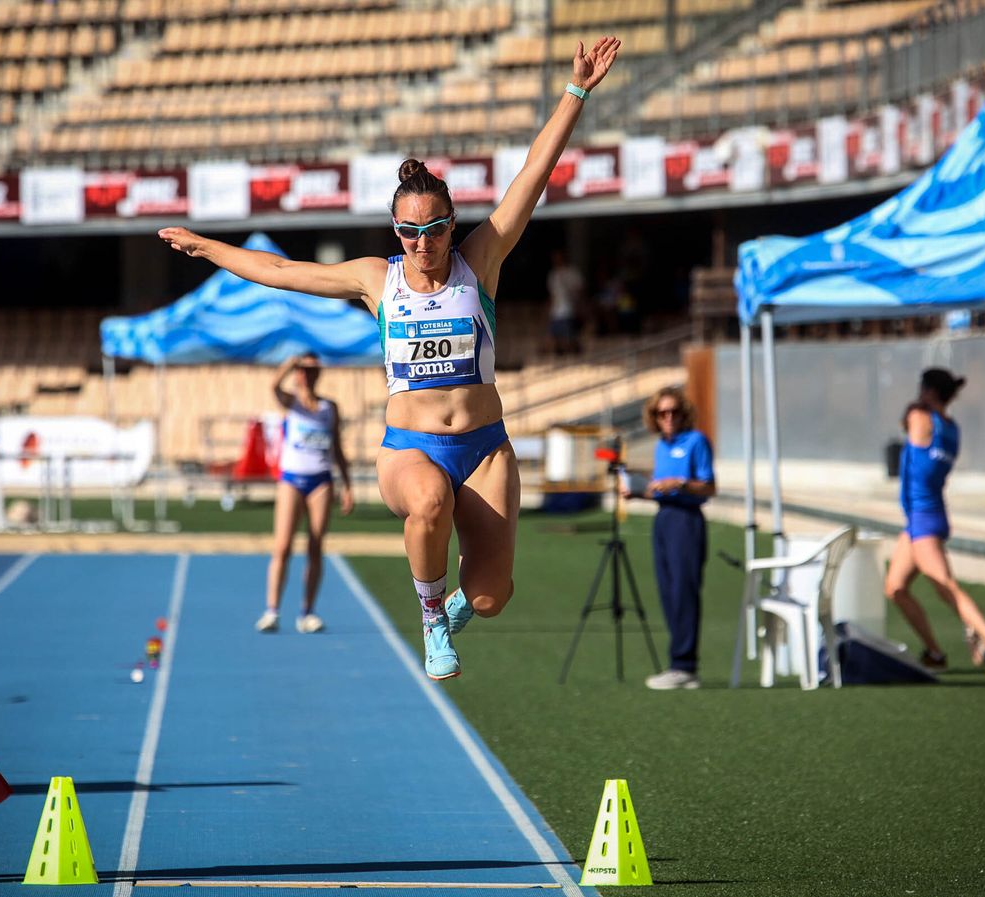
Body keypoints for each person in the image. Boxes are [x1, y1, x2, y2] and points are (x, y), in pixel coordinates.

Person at [160, 36, 622, 680]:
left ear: (452, 225)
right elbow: (280, 271)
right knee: (428, 501)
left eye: (434, 230)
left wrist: (576, 92)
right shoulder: (378, 280)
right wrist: (208, 248)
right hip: (411, 448)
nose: (422, 244)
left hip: (486, 449)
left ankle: (457, 607)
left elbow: (532, 178)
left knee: (491, 597)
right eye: (409, 232)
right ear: (395, 232)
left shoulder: (481, 261)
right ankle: (431, 616)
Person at [883, 368, 985, 674]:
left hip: (923, 519)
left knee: (945, 586)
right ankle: (935, 653)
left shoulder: (919, 416)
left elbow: (908, 422)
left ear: (929, 391)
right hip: (926, 516)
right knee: (895, 588)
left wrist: (917, 407)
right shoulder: (951, 428)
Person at [621, 386, 715, 690]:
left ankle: (684, 665)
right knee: (668, 592)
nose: (669, 417)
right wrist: (639, 492)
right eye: (662, 413)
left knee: (683, 591)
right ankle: (680, 663)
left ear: (684, 413)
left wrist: (681, 483)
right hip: (664, 518)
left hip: (686, 520)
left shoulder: (696, 441)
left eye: (674, 411)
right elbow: (661, 490)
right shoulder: (662, 446)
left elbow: (709, 487)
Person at [260, 353, 354, 634]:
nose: (308, 375)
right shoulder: (292, 403)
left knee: (315, 546)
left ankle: (307, 612)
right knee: (283, 546)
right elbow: (273, 386)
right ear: (297, 373)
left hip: (321, 481)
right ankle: (272, 610)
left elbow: (337, 447)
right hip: (291, 480)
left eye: (313, 371)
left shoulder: (329, 407)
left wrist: (347, 485)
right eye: (304, 370)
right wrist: (291, 363)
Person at [546, 248, 584, 356]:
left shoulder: (572, 272)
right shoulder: (553, 275)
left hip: (569, 310)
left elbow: (580, 291)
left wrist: (578, 305)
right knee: (554, 340)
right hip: (556, 312)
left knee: (568, 338)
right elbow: (552, 295)